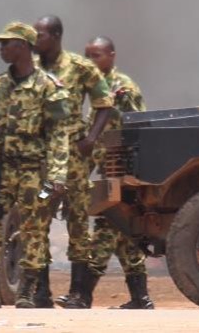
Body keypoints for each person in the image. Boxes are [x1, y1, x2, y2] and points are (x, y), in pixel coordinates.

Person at [0, 22, 69, 309]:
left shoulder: (49, 87)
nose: (1, 49)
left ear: (22, 46)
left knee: (34, 227)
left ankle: (27, 292)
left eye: (6, 43)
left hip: (36, 173)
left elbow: (59, 135)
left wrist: (57, 176)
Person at [34, 15, 114, 309]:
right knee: (38, 218)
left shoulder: (80, 68)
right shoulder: (31, 68)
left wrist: (91, 138)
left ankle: (80, 293)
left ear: (55, 36)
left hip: (73, 163)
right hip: (41, 161)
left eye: (40, 35)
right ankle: (40, 292)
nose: (35, 41)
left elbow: (104, 104)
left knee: (78, 220)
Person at [80, 37, 154, 309]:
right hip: (108, 171)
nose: (91, 61)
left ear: (112, 55)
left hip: (122, 173)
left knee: (105, 228)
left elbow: (138, 129)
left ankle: (82, 294)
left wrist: (133, 176)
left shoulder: (122, 89)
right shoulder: (96, 89)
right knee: (124, 235)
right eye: (87, 56)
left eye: (96, 55)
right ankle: (141, 298)